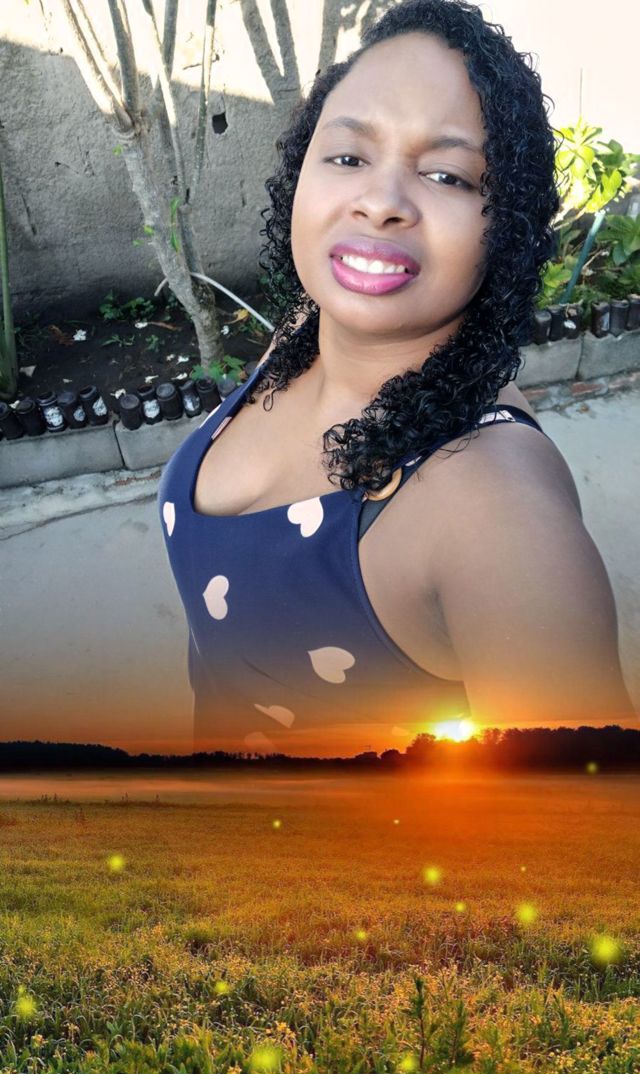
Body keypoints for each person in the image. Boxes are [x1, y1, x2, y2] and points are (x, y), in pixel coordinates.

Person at [158, 0, 635, 757]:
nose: (380, 203)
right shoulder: (307, 332)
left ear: (507, 226)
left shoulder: (497, 515)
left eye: (447, 175)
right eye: (349, 157)